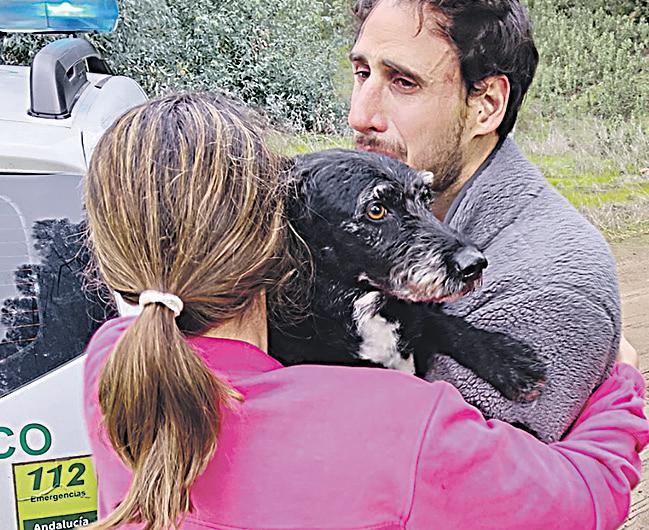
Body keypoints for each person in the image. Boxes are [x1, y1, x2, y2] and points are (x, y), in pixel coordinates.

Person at [82, 92, 647, 530]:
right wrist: (621, 384)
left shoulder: (112, 367)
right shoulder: (397, 423)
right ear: (278, 238)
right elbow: (583, 499)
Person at [347, 0, 636, 441]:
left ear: (486, 105)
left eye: (404, 82)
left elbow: (432, 470)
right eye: (362, 73)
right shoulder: (353, 217)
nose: (360, 116)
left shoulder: (549, 288)